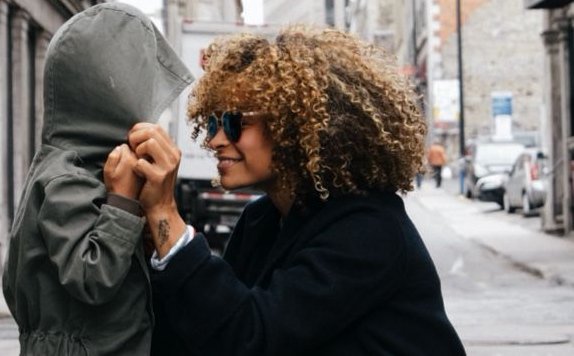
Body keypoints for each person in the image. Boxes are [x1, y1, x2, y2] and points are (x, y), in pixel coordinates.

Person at [125, 26, 466, 355]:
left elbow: (251, 339)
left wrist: (165, 215)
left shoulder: (370, 231)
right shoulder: (262, 220)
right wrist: (152, 242)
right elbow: (206, 334)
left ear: (295, 128)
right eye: (212, 123)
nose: (215, 140)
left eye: (234, 123)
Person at [2, 2, 193, 355]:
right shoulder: (67, 175)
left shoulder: (91, 166)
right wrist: (122, 204)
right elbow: (91, 277)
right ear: (114, 94)